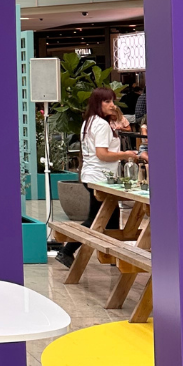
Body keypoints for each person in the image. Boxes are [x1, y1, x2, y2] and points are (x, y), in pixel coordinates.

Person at [55, 87, 145, 268]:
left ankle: (112, 258)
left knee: (110, 217)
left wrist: (116, 115)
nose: (112, 105)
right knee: (96, 219)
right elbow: (102, 154)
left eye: (113, 101)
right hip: (100, 177)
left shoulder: (90, 122)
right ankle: (67, 251)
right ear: (98, 103)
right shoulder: (101, 126)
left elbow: (125, 126)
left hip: (92, 174)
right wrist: (124, 154)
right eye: (107, 102)